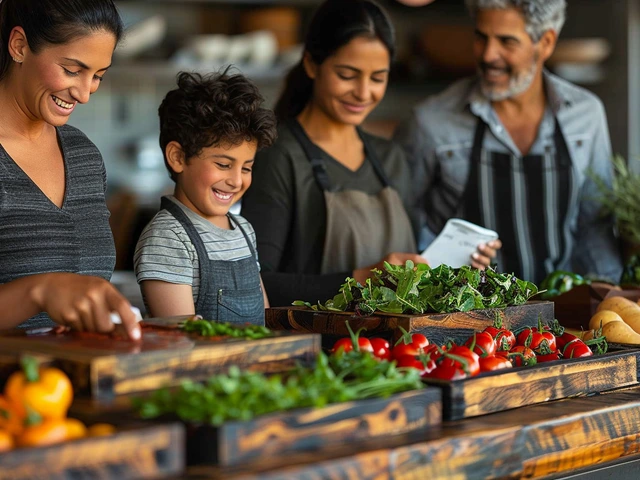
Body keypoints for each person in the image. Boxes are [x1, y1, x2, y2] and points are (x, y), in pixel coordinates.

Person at [241, 0, 500, 307]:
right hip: (318, 350)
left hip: (402, 351)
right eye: (348, 75)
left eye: (378, 78)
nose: (364, 93)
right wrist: (363, 278)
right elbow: (255, 285)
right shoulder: (279, 156)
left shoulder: (390, 158)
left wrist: (457, 265)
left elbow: (414, 266)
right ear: (311, 64)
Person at [394, 0, 623, 284]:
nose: (489, 54)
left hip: (561, 314)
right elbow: (403, 227)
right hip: (469, 319)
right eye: (481, 37)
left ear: (546, 42)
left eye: (506, 41)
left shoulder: (585, 116)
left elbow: (595, 227)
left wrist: (608, 296)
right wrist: (447, 264)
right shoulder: (430, 122)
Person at [0, 0, 140, 338]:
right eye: (72, 69)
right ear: (19, 46)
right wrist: (40, 291)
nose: (85, 92)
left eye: (98, 76)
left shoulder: (83, 154)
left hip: (76, 384)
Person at [134, 71, 277, 324]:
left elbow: (265, 322)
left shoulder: (244, 229)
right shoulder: (168, 238)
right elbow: (183, 340)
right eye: (223, 164)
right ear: (178, 157)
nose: (236, 180)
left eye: (246, 168)